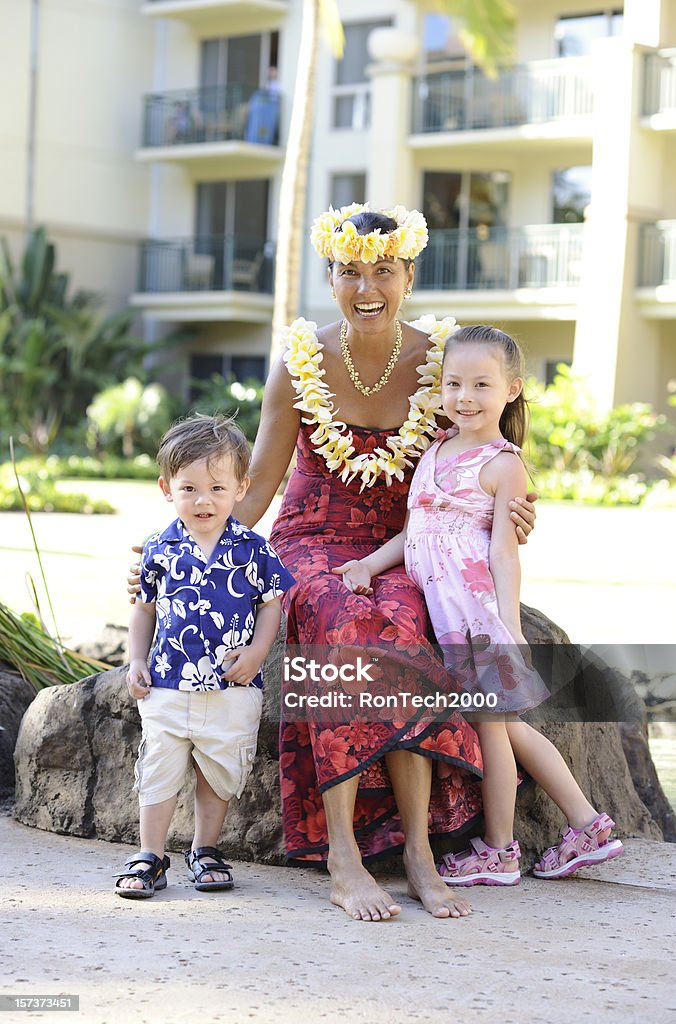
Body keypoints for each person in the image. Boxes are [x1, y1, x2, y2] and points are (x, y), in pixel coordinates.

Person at [128, 203, 537, 921]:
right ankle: (344, 856)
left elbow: (477, 457)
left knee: (407, 628)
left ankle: (416, 851)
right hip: (311, 541)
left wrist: (511, 515)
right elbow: (253, 487)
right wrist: (181, 554)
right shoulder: (301, 362)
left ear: (408, 276)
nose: (366, 286)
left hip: (403, 546)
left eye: (383, 270)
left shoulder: (441, 366)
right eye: (349, 272)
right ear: (330, 277)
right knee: (346, 623)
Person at [334, 325, 624, 887]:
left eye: (482, 385)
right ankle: (588, 824)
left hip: (477, 621)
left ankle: (499, 850)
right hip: (447, 620)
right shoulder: (436, 451)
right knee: (508, 729)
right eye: (454, 383)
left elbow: (505, 554)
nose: (465, 396)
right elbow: (417, 532)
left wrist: (509, 626)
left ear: (512, 389)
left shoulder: (502, 463)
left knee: (494, 733)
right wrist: (371, 564)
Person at [115, 414, 295, 899]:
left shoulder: (254, 549)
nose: (203, 500)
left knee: (219, 769)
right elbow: (144, 608)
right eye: (189, 487)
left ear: (242, 487)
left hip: (232, 686)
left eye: (217, 488)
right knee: (159, 768)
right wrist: (136, 659)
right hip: (168, 684)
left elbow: (272, 605)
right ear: (166, 488)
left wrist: (259, 653)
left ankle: (206, 849)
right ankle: (150, 854)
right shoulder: (159, 547)